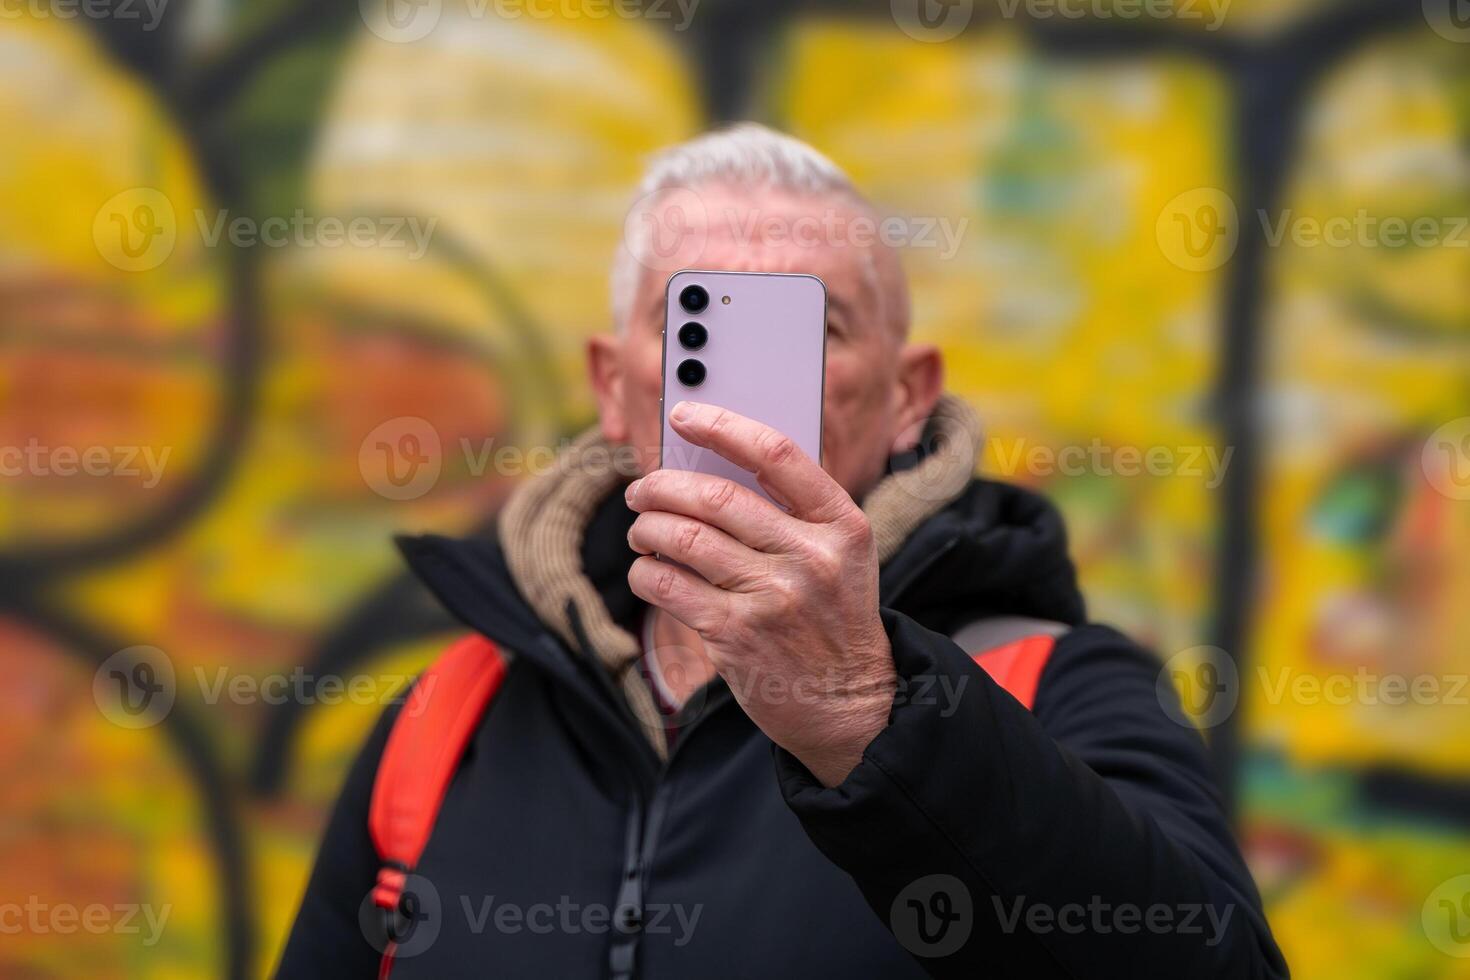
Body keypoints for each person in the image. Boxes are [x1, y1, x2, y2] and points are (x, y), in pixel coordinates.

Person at [278, 123, 1288, 979]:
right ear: (613, 383)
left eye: (820, 325)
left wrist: (874, 719)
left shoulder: (1058, 689)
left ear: (907, 393)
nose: (752, 388)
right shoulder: (450, 716)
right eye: (698, 324)